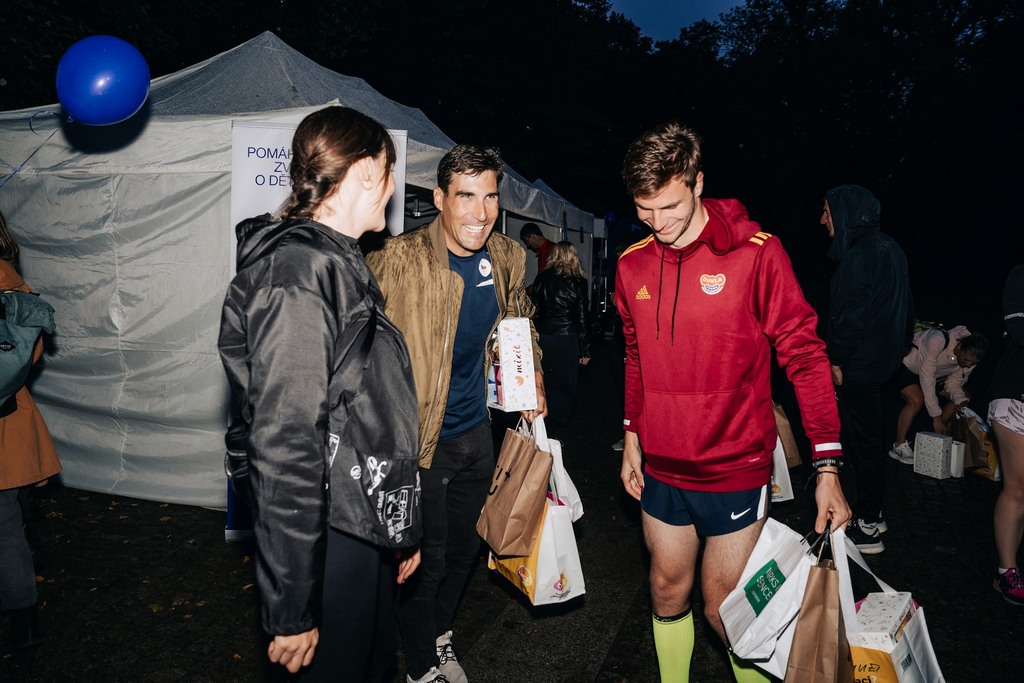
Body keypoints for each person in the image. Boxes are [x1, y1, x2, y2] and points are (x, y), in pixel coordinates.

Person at [615, 121, 851, 683]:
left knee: (727, 609)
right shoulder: (631, 264)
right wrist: (631, 435)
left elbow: (805, 355)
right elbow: (635, 355)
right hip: (662, 466)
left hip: (734, 466)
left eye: (670, 206)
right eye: (645, 210)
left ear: (698, 182)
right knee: (665, 587)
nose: (658, 223)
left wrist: (826, 465)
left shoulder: (756, 254)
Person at [218, 106, 422, 681]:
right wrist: (292, 607)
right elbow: (286, 440)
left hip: (357, 517)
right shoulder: (298, 272)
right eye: (390, 172)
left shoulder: (337, 260)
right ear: (366, 171)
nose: (393, 189)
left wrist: (396, 525)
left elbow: (361, 408)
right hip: (326, 530)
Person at [367, 144, 547, 683]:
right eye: (466, 196)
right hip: (420, 441)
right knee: (429, 557)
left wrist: (533, 375)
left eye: (489, 197)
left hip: (477, 433)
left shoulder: (508, 256)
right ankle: (421, 666)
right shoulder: (396, 260)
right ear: (440, 198)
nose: (480, 211)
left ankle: (440, 635)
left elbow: (520, 320)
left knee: (470, 546)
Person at [821, 184, 914, 554]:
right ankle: (874, 511)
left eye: (827, 211)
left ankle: (868, 526)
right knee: (871, 439)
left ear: (845, 212)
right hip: (881, 363)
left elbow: (850, 316)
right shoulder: (891, 248)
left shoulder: (859, 253)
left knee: (863, 444)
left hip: (857, 364)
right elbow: (907, 309)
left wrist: (836, 359)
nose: (822, 219)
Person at [0, 211, 61, 649]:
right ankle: (25, 618)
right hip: (9, 419)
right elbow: (30, 354)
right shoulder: (12, 282)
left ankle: (23, 613)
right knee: (8, 520)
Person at [888, 326, 989, 464]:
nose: (968, 365)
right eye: (966, 360)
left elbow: (954, 383)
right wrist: (935, 416)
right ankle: (898, 446)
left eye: (973, 363)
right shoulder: (937, 340)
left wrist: (961, 401)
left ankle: (933, 439)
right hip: (906, 366)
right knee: (917, 399)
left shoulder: (970, 360)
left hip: (933, 376)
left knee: (962, 398)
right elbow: (927, 378)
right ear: (959, 346)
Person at [988, 263, 1024, 605]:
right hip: (1015, 396)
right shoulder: (1020, 276)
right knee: (1018, 486)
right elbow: (1018, 330)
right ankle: (1006, 571)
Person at [530, 240, 591, 430]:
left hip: (544, 336)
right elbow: (582, 317)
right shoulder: (578, 281)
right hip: (567, 338)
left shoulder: (542, 278)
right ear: (573, 256)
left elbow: (534, 309)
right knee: (566, 384)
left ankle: (545, 422)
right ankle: (558, 423)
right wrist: (585, 349)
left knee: (545, 380)